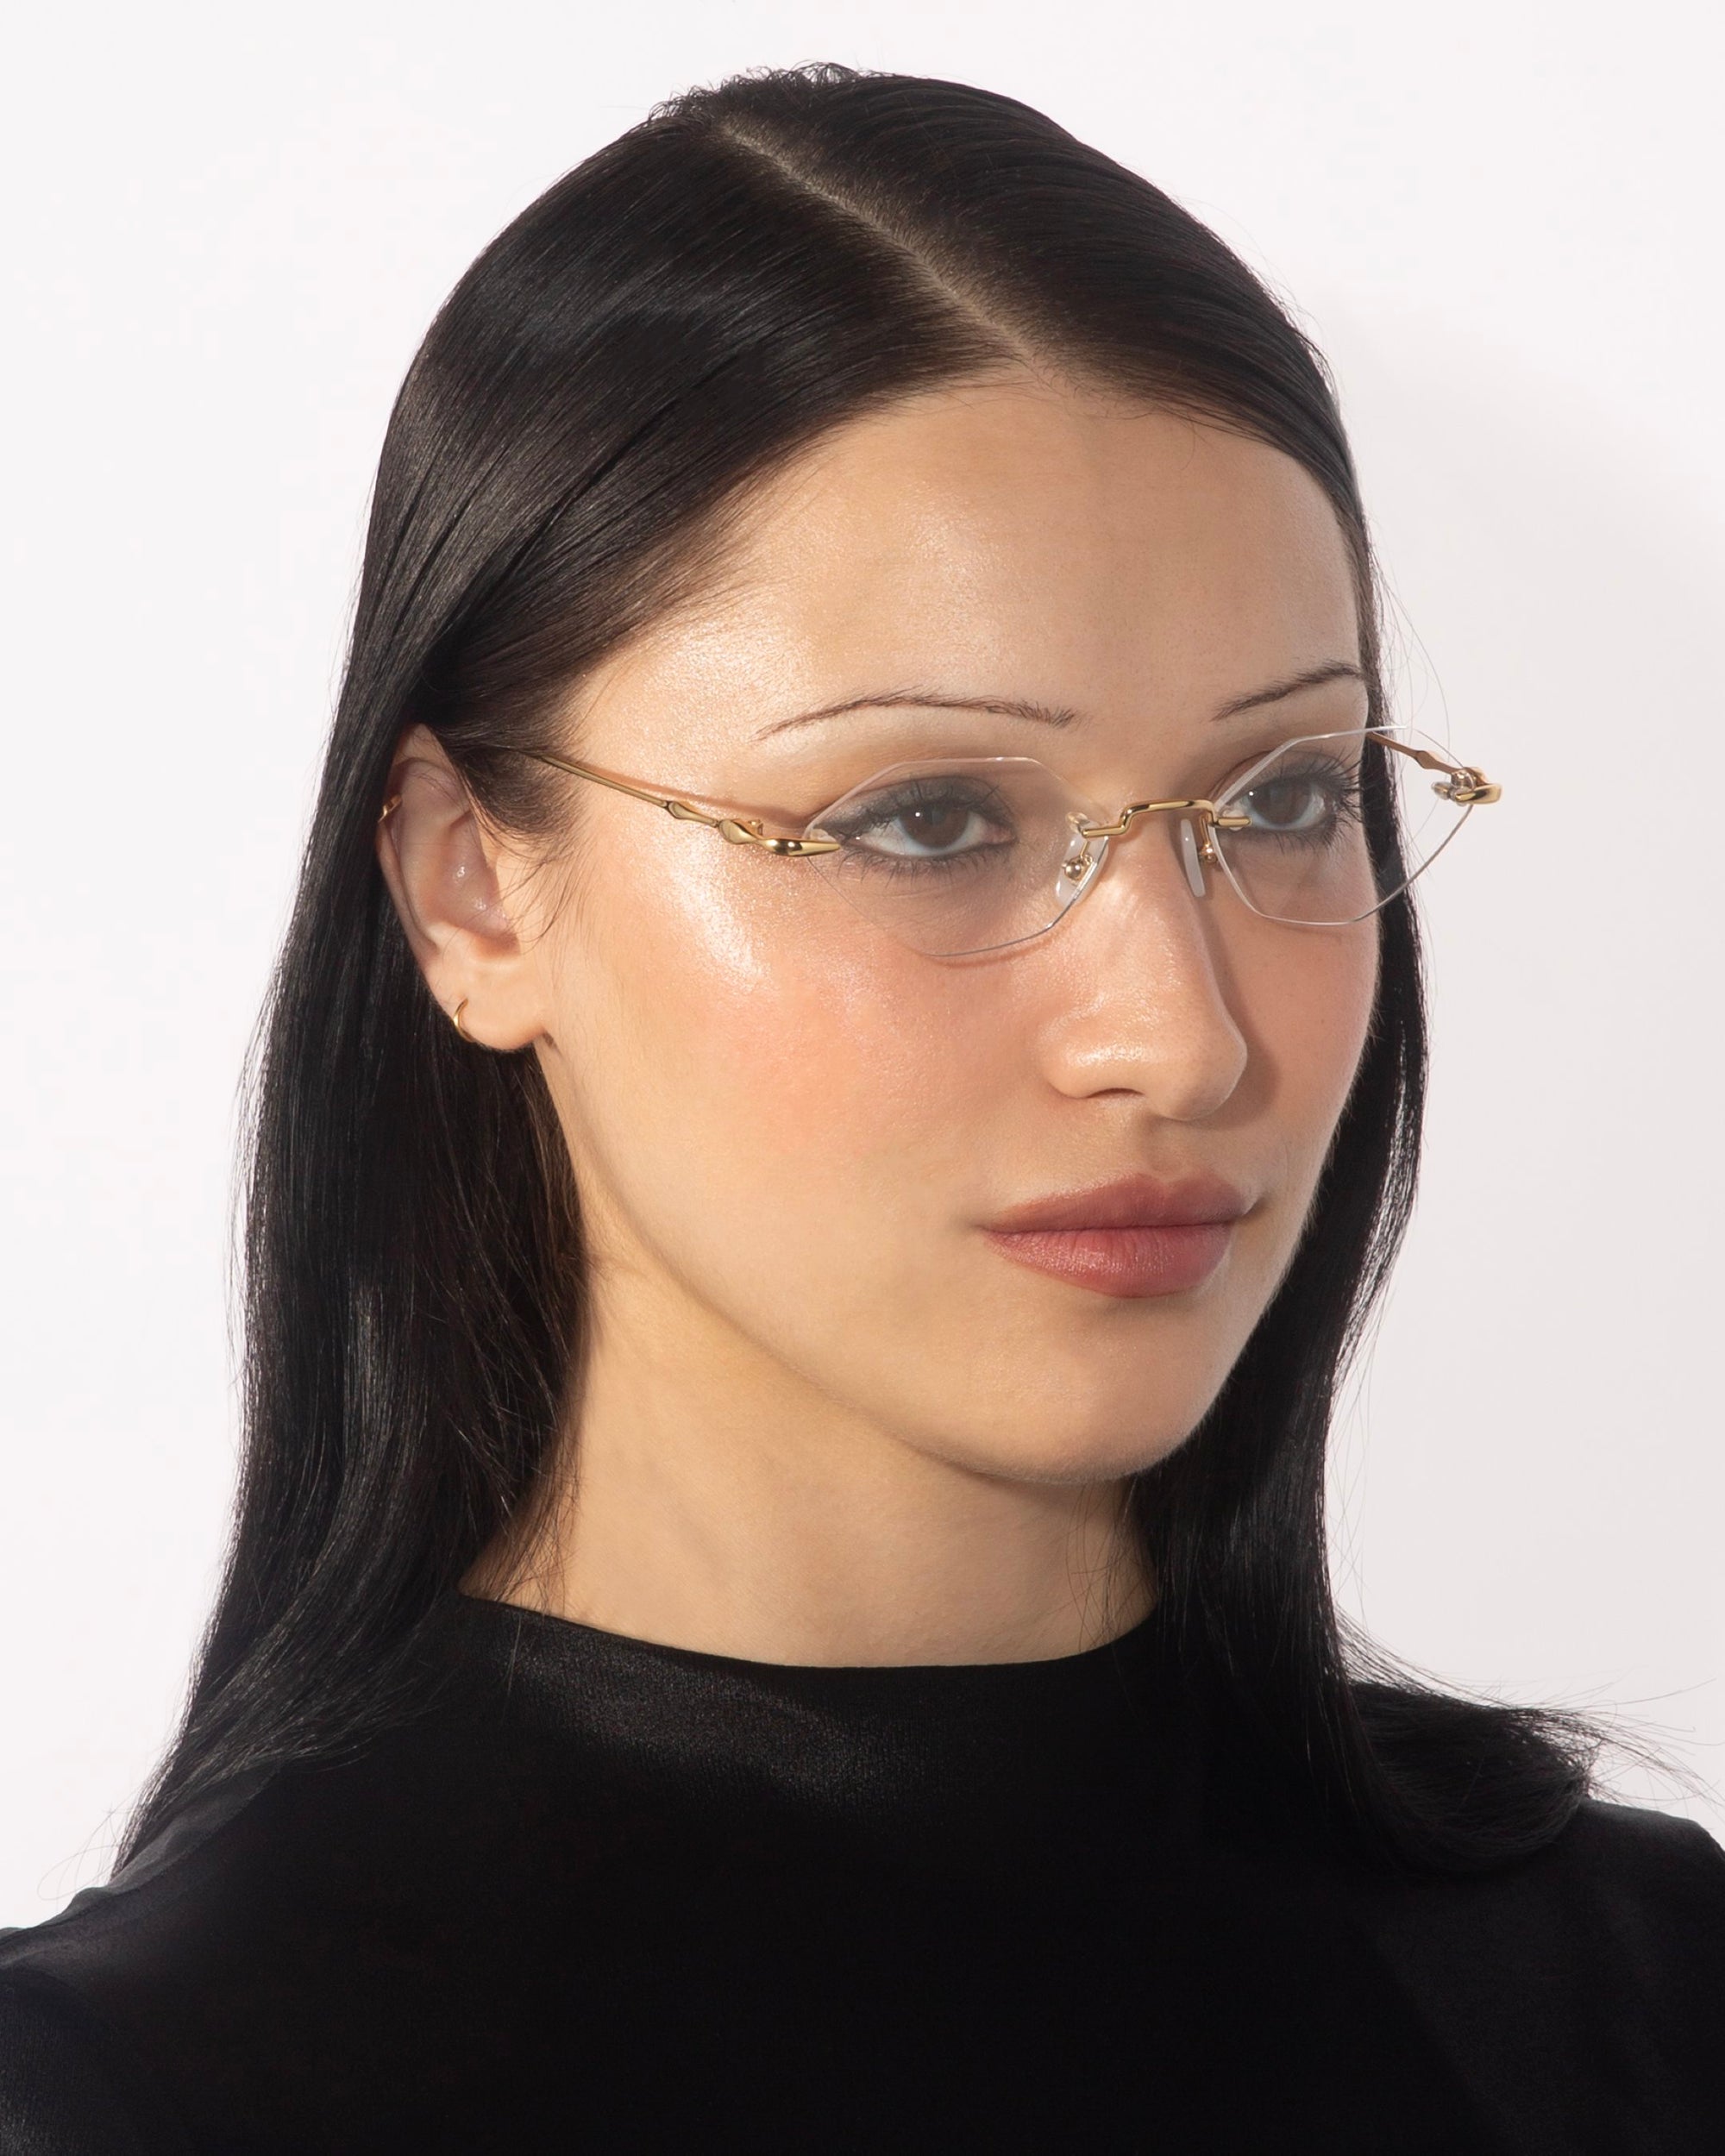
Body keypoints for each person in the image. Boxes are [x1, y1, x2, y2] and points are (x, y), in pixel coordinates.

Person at [1, 61, 1719, 2154]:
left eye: (1280, 796)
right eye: (925, 817)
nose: (1179, 1038)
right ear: (470, 883)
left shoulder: (1642, 2007)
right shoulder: (129, 2099)